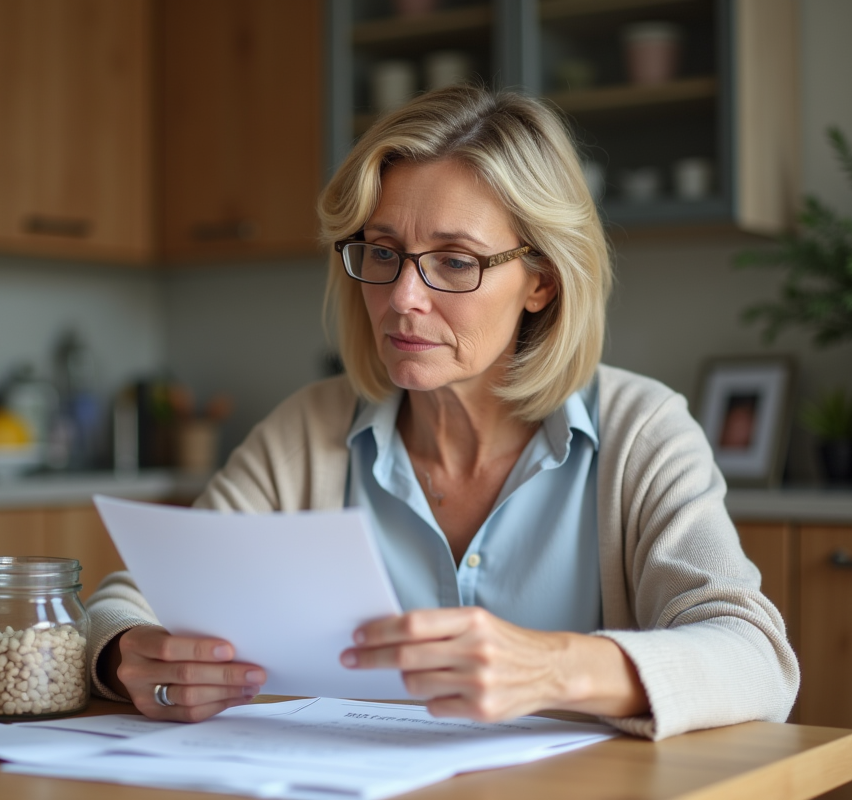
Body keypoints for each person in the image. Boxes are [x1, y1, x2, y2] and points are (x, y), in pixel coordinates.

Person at [86, 85, 799, 740]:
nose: (402, 298)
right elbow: (129, 601)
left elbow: (756, 659)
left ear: (541, 282)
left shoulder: (642, 429)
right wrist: (127, 656)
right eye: (383, 251)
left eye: (455, 261)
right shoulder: (308, 431)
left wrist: (550, 668)